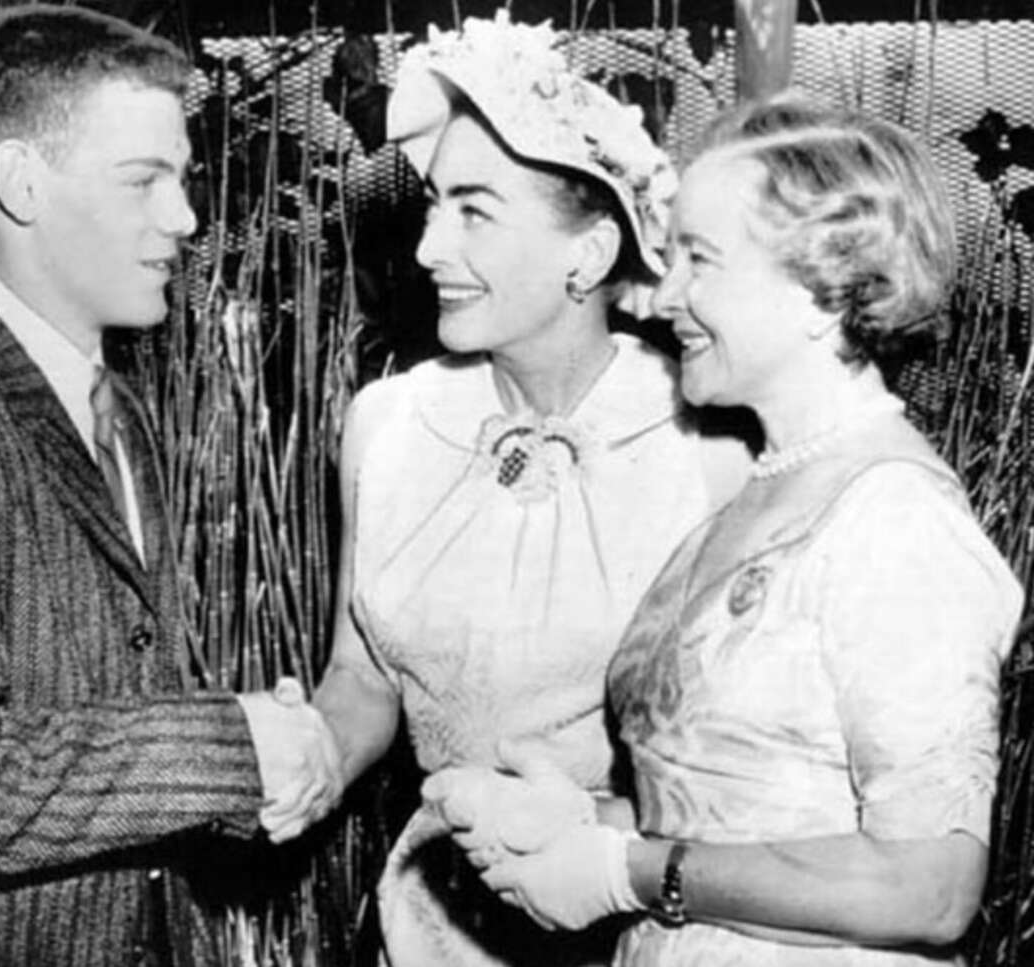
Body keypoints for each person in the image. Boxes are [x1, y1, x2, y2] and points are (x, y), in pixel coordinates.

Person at [423, 97, 1025, 966]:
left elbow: (928, 887)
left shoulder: (896, 520)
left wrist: (627, 869)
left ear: (824, 284)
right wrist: (584, 821)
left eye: (698, 261)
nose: (664, 298)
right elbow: (752, 811)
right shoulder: (761, 488)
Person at [0, 7, 338, 966]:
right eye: (144, 179)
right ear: (23, 183)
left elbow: (108, 705)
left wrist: (254, 767)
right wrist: (229, 747)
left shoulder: (119, 411)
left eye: (181, 179)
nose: (185, 217)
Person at [259, 10, 750, 967]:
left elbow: (749, 773)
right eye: (435, 203)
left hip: (634, 922)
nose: (432, 247)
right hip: (431, 922)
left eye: (475, 211)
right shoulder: (388, 424)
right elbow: (363, 677)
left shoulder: (708, 449)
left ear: (590, 253)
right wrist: (303, 755)